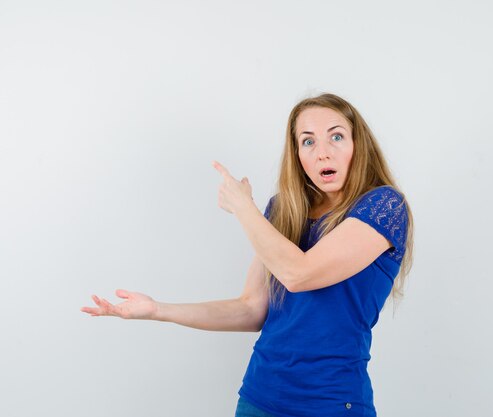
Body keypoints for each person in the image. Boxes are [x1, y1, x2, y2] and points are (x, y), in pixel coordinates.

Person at [81, 93, 414, 417]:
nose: (323, 153)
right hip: (259, 397)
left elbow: (299, 274)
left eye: (336, 137)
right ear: (297, 154)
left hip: (331, 402)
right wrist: (158, 310)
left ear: (358, 145)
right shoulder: (283, 210)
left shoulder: (384, 206)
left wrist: (243, 207)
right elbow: (251, 309)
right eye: (308, 141)